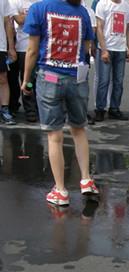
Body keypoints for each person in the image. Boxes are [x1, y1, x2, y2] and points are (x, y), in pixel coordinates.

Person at [22, 0, 99, 205]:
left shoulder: (39, 9)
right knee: (78, 130)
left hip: (49, 77)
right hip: (76, 79)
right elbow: (86, 47)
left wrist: (26, 79)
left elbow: (32, 49)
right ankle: (86, 180)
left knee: (54, 136)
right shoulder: (82, 11)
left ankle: (61, 190)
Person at [94, 0, 129, 121]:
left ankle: (114, 108)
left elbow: (127, 29)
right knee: (104, 81)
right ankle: (100, 109)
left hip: (120, 49)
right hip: (107, 48)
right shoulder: (103, 4)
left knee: (118, 82)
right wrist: (103, 50)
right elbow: (99, 28)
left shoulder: (126, 6)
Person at [9, 0, 38, 122]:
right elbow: (18, 20)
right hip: (22, 47)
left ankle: (36, 107)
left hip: (40, 46)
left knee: (38, 78)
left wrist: (25, 17)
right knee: (25, 79)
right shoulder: (15, 2)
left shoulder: (41, 2)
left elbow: (22, 19)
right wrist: (37, 16)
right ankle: (28, 109)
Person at [0, 0, 16, 124]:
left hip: (0, 46)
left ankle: (5, 110)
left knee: (3, 79)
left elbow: (7, 22)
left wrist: (11, 47)